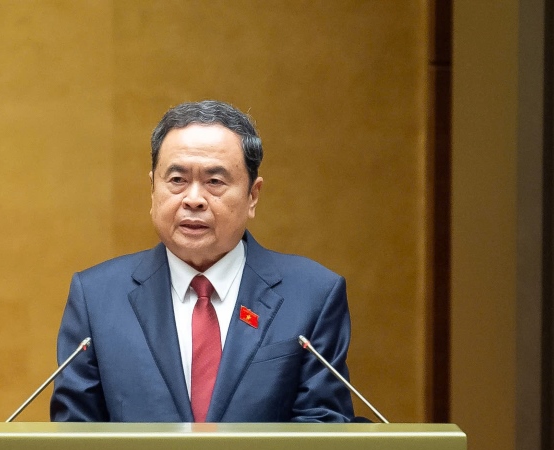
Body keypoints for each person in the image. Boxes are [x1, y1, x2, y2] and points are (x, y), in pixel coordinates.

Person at [50, 100, 356, 423]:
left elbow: (322, 431)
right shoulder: (96, 298)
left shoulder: (312, 296)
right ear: (152, 189)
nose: (193, 199)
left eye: (214, 182)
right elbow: (75, 439)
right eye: (177, 180)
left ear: (253, 196)